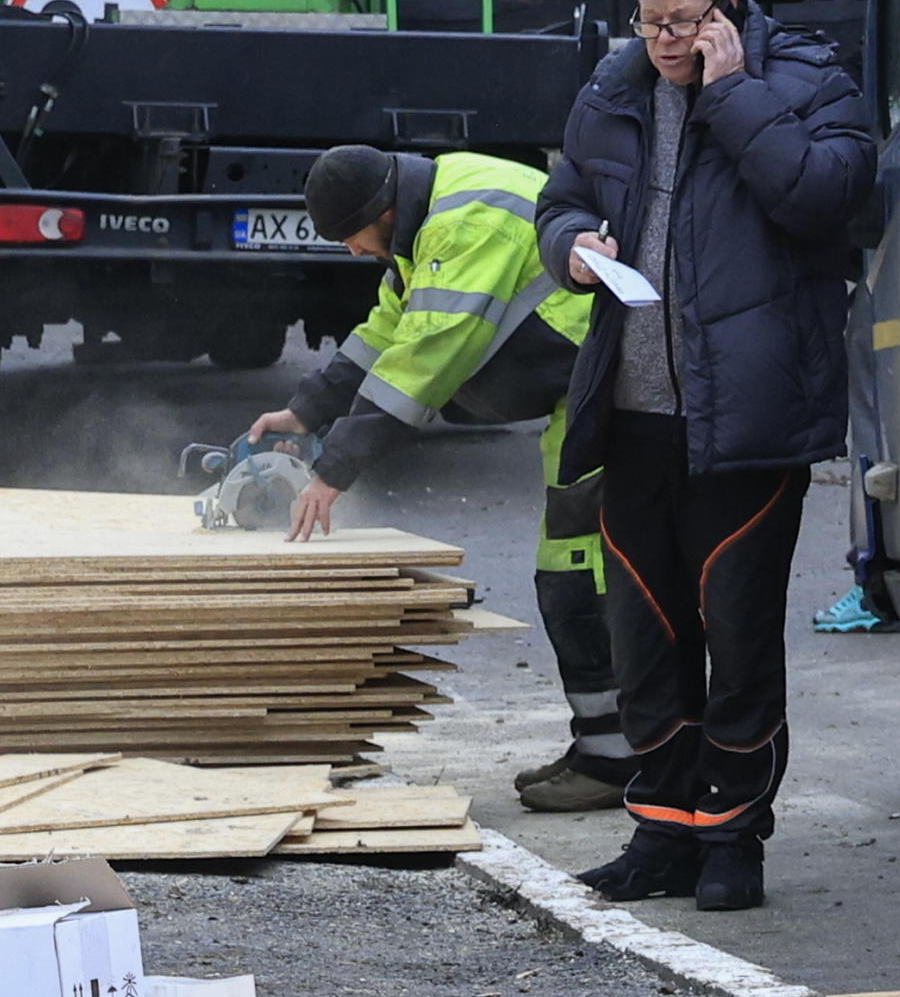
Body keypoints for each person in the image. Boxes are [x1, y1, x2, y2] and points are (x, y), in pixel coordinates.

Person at [540, 0, 876, 915]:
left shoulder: (803, 74)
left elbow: (831, 197)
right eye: (648, 23)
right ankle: (661, 831)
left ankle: (733, 839)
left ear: (724, 10)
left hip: (748, 417)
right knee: (645, 638)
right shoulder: (611, 88)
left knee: (735, 636)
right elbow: (557, 197)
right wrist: (568, 244)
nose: (663, 42)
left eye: (681, 22)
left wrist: (729, 96)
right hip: (634, 416)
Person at [256, 142, 628, 812]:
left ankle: (614, 758)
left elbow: (425, 360)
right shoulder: (433, 212)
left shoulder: (464, 225)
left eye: (349, 235)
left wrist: (331, 473)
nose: (350, 251)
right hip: (587, 383)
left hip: (611, 381)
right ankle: (602, 746)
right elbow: (387, 330)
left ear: (382, 210)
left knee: (578, 573)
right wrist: (303, 410)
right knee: (572, 572)